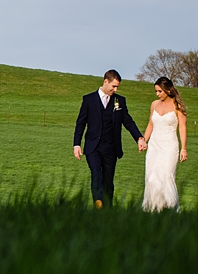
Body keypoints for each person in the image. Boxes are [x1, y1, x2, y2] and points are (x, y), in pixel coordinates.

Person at [73, 70, 146, 208]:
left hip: (111, 149)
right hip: (93, 147)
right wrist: (76, 144)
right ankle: (98, 202)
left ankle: (108, 209)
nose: (115, 89)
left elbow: (128, 121)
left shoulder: (120, 101)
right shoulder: (88, 100)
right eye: (113, 86)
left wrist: (139, 138)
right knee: (96, 174)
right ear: (105, 81)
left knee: (108, 181)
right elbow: (81, 123)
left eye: (117, 87)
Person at [141, 76, 188, 211]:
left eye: (160, 91)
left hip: (169, 146)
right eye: (156, 91)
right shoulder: (154, 104)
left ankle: (171, 208)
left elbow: (182, 128)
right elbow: (150, 124)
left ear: (168, 90)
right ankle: (153, 208)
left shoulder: (177, 106)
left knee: (166, 176)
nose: (157, 94)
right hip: (154, 146)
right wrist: (144, 140)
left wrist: (184, 148)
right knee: (151, 177)